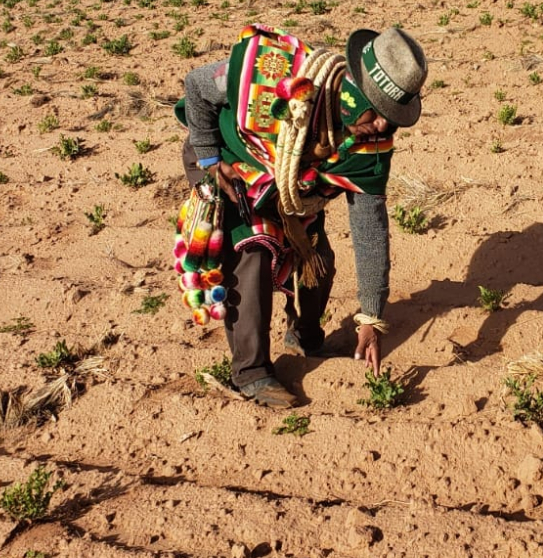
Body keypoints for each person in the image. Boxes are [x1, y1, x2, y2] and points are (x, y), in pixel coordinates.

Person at [176, 24, 427, 407]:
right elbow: (196, 85)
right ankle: (250, 371)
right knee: (254, 252)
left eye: (392, 116)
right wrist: (209, 158)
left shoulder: (369, 145)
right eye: (375, 112)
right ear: (351, 94)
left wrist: (371, 317)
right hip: (231, 163)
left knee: (317, 258)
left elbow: (370, 230)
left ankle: (305, 336)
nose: (381, 126)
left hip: (296, 188)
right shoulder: (276, 77)